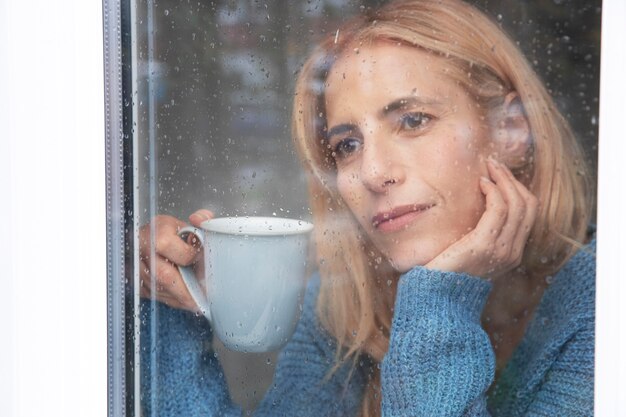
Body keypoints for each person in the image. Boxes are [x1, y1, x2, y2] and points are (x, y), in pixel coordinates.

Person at [138, 0, 595, 415]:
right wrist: (176, 308)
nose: (373, 173)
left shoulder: (603, 309)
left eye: (413, 121)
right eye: (348, 145)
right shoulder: (341, 306)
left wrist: (439, 303)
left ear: (511, 131)